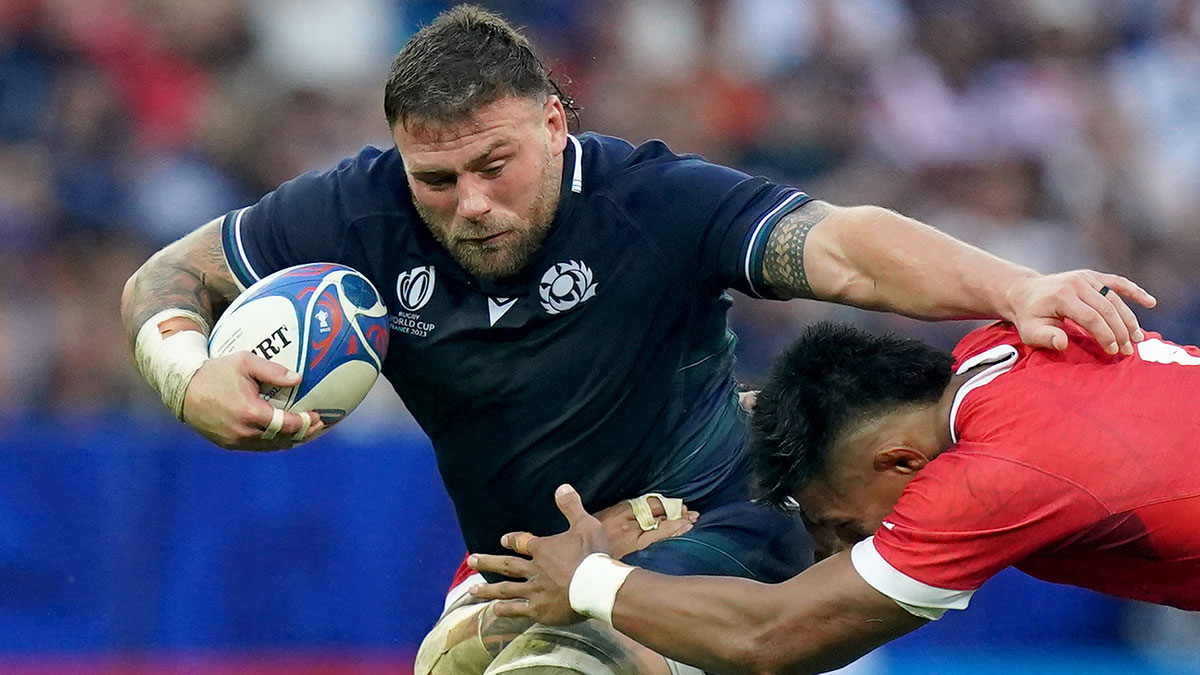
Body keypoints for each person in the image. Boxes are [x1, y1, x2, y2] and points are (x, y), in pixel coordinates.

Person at [119, 5, 1156, 674]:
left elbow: (840, 249)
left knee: (566, 670)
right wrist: (187, 371)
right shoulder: (357, 211)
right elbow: (164, 277)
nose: (470, 203)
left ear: (556, 123)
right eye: (438, 180)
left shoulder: (647, 200)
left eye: (497, 164)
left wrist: (1015, 284)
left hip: (720, 535)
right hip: (533, 564)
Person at [468, 319, 1200, 674]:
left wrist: (591, 582)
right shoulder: (1001, 347)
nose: (832, 553)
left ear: (902, 461)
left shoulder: (988, 475)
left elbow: (770, 638)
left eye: (843, 527)